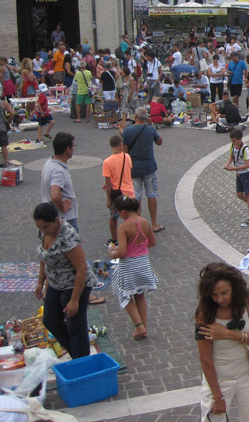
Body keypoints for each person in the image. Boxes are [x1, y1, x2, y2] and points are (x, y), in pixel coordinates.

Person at [195, 263, 249, 422]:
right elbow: (205, 360)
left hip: (247, 378)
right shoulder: (205, 314)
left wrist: (228, 334)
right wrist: (217, 397)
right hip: (219, 382)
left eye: (224, 293)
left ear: (234, 287)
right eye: (214, 295)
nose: (220, 299)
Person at [34, 201, 98, 359]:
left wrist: (75, 300)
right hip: (56, 282)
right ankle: (77, 354)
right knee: (50, 320)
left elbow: (81, 269)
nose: (43, 231)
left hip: (74, 283)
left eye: (45, 227)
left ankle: (81, 359)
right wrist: (40, 282)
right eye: (40, 227)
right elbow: (44, 257)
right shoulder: (43, 232)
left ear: (55, 220)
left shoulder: (67, 236)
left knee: (75, 325)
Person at [108, 196, 157, 340]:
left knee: (122, 292)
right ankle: (144, 327)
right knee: (140, 294)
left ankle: (139, 326)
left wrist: (112, 253)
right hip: (143, 263)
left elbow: (122, 253)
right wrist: (138, 247)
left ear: (122, 212)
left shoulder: (123, 227)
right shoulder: (145, 222)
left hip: (129, 266)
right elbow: (152, 243)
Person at [123, 107, 165, 232]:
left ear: (135, 117)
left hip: (133, 168)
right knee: (151, 195)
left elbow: (124, 152)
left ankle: (138, 225)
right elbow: (160, 142)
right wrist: (153, 126)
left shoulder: (127, 131)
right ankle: (154, 224)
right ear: (146, 118)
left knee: (136, 197)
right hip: (149, 167)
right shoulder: (150, 130)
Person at [102, 134, 134, 244]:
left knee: (113, 217)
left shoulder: (107, 162)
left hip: (117, 195)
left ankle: (115, 239)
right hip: (129, 192)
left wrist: (108, 199)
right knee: (130, 217)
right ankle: (131, 237)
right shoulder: (127, 157)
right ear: (121, 145)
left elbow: (108, 183)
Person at [224, 128, 249, 228]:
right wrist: (227, 164)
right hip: (239, 173)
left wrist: (234, 168)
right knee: (239, 194)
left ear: (240, 139)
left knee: (248, 195)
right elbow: (232, 157)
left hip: (247, 173)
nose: (233, 143)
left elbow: (247, 165)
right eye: (232, 141)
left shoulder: (245, 149)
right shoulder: (233, 146)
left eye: (235, 141)